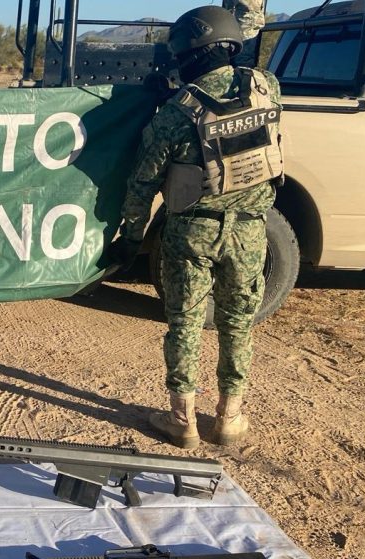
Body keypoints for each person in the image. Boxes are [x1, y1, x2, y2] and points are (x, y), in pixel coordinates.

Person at [113, 6, 283, 449]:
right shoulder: (268, 88)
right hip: (250, 231)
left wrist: (130, 238)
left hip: (191, 230)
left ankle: (181, 420)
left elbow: (143, 181)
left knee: (185, 323)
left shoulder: (175, 112)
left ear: (190, 53)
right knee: (237, 323)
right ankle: (230, 417)